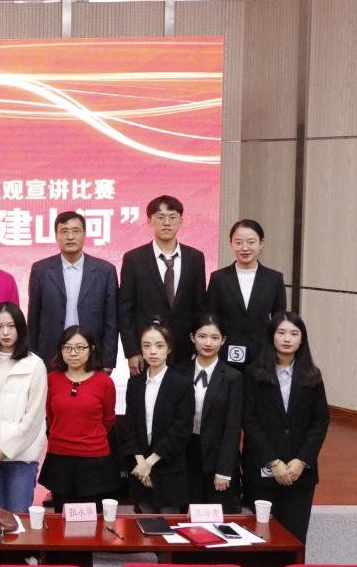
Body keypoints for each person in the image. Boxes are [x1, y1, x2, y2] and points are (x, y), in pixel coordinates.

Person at [242, 312, 329, 542]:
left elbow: (321, 421)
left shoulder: (313, 376)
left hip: (300, 473)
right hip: (263, 470)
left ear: (302, 340)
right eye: (281, 332)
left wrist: (301, 461)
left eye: (294, 333)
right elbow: (249, 421)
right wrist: (273, 462)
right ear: (271, 336)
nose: (287, 338)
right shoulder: (253, 374)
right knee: (262, 539)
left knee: (294, 538)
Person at [0, 303, 47, 513]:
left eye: (11, 326)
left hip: (20, 455)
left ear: (20, 328)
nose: (5, 332)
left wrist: (4, 451)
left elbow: (34, 417)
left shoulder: (35, 365)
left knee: (18, 518)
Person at [118, 195, 207, 375]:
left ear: (181, 221)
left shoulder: (195, 258)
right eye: (160, 217)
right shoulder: (134, 259)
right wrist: (132, 351)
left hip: (185, 351)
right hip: (146, 351)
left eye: (172, 217)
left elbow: (200, 307)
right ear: (149, 221)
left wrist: (197, 347)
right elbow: (125, 308)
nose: (167, 223)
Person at [38, 326, 120, 512]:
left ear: (91, 349)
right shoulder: (51, 379)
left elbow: (108, 419)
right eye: (67, 348)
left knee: (93, 519)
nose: (73, 353)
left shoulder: (104, 382)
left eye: (80, 347)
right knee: (62, 518)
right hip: (60, 459)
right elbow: (50, 416)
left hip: (95, 461)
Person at [27, 211, 119, 369]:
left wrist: (108, 361)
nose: (70, 236)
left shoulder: (105, 271)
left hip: (91, 355)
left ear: (84, 234)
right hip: (50, 355)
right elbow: (33, 319)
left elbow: (111, 320)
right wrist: (31, 358)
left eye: (75, 231)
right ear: (56, 236)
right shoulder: (41, 270)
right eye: (64, 231)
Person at [123, 320, 195, 513]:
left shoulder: (181, 384)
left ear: (169, 348)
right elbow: (130, 427)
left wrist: (150, 462)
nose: (153, 352)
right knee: (143, 525)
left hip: (168, 467)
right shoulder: (135, 384)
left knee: (169, 525)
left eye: (159, 346)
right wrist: (141, 463)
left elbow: (181, 430)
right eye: (147, 346)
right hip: (140, 470)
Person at [207, 219, 287, 371]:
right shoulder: (218, 278)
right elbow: (211, 318)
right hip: (225, 354)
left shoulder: (274, 279)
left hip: (262, 354)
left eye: (251, 242)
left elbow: (279, 319)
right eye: (238, 242)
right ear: (231, 243)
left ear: (261, 243)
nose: (244, 248)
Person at [182, 314, 243, 512]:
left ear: (223, 340)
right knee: (187, 517)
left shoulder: (233, 377)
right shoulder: (179, 373)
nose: (208, 343)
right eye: (202, 336)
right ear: (192, 337)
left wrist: (224, 470)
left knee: (216, 516)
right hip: (186, 454)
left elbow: (233, 427)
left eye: (215, 337)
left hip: (218, 456)